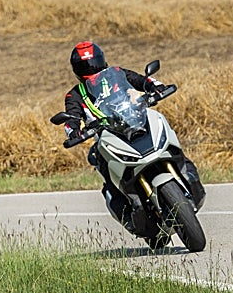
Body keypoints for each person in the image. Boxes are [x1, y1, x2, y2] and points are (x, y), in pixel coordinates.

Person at [62, 40, 203, 233]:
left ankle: (187, 177)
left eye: (94, 61)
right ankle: (128, 212)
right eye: (85, 65)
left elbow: (141, 80)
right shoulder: (75, 95)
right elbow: (71, 118)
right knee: (100, 161)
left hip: (134, 120)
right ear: (77, 70)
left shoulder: (118, 73)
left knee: (163, 133)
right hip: (107, 135)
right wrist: (74, 131)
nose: (91, 67)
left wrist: (155, 87)